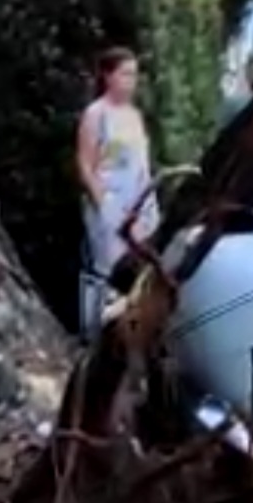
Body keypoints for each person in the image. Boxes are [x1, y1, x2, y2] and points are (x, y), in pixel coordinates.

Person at [76, 46, 158, 335]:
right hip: (109, 204)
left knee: (139, 271)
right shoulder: (95, 114)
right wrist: (104, 204)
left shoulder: (134, 116)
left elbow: (141, 164)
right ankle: (95, 334)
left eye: (134, 75)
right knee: (107, 271)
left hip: (139, 203)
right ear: (108, 76)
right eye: (125, 74)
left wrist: (148, 204)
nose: (131, 81)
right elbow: (85, 164)